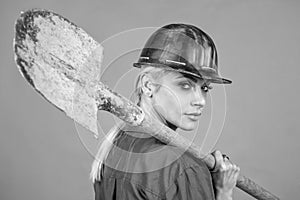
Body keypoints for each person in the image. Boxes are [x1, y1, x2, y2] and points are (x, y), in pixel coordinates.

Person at [90, 23, 240, 200]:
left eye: (205, 88)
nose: (200, 101)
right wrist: (223, 193)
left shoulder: (114, 147)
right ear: (148, 85)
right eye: (185, 85)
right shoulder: (183, 168)